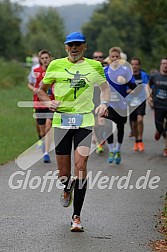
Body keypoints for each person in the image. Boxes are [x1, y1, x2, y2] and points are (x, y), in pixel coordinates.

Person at [38, 32, 110, 231]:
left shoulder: (94, 66)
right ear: (65, 48)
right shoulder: (55, 65)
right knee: (64, 174)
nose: (74, 48)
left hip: (84, 121)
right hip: (61, 121)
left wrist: (104, 103)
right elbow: (41, 90)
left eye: (78, 45)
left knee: (81, 165)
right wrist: (48, 101)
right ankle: (66, 187)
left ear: (85, 47)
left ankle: (76, 217)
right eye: (71, 45)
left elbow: (105, 89)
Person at [104, 46, 136, 164]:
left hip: (121, 105)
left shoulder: (126, 70)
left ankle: (118, 149)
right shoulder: (105, 71)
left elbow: (134, 87)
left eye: (117, 57)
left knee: (120, 127)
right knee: (108, 126)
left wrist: (126, 81)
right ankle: (111, 150)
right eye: (113, 56)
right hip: (109, 104)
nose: (115, 58)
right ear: (110, 58)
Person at [28, 49, 54, 163]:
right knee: (42, 131)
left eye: (46, 58)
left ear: (50, 58)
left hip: (50, 102)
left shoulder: (54, 70)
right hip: (38, 103)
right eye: (42, 58)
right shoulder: (35, 70)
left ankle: (46, 153)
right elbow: (29, 83)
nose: (45, 60)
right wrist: (34, 89)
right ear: (40, 59)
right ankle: (41, 142)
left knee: (48, 127)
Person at [148, 57, 167, 157]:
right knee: (160, 127)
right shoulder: (155, 76)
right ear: (160, 65)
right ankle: (159, 131)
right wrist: (149, 97)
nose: (165, 65)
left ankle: (166, 148)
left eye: (166, 64)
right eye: (163, 63)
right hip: (158, 105)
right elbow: (147, 85)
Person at [129, 57, 149, 151]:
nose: (134, 66)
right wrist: (129, 91)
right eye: (132, 64)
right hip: (131, 102)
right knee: (134, 123)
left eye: (136, 64)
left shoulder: (144, 75)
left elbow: (146, 86)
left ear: (139, 66)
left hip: (141, 100)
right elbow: (124, 88)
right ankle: (136, 141)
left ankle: (140, 140)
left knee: (140, 120)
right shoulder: (128, 76)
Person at [92, 51, 106, 154]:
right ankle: (99, 141)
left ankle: (100, 139)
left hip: (104, 99)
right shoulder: (89, 70)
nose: (98, 59)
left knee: (102, 122)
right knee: (96, 124)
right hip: (92, 100)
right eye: (96, 57)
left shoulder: (107, 71)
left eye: (100, 57)